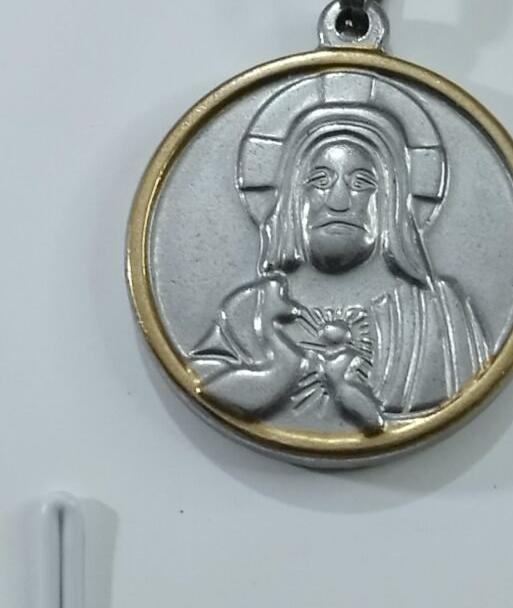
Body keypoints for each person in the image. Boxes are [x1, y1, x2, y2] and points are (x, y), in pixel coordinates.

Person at [193, 82, 487, 429]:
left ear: (391, 202)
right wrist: (280, 372)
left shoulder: (440, 313)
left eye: (362, 183)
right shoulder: (253, 309)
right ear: (293, 199)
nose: (338, 201)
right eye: (319, 180)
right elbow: (201, 387)